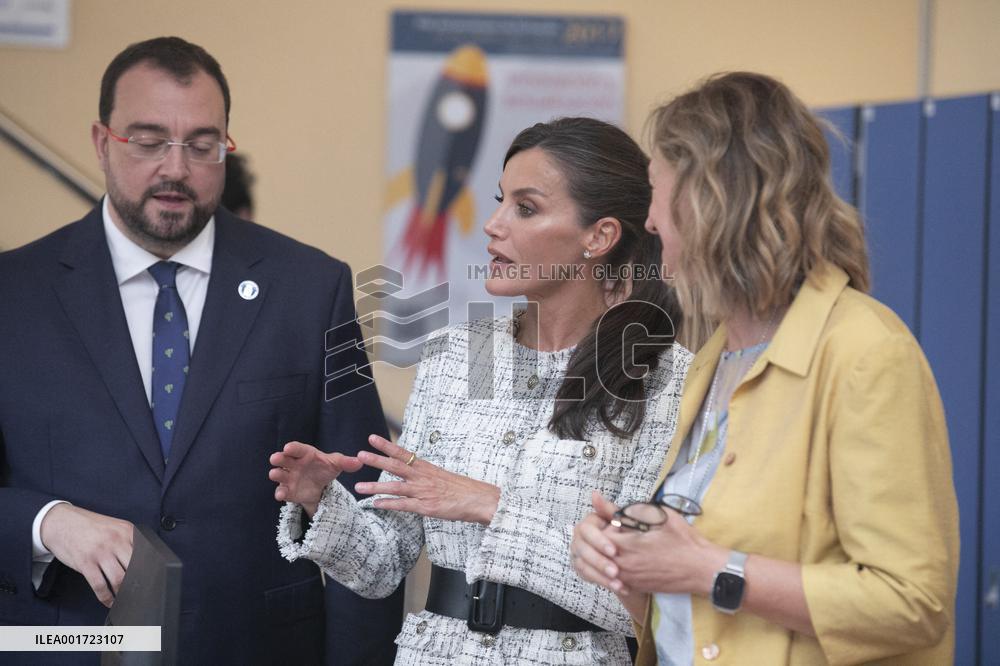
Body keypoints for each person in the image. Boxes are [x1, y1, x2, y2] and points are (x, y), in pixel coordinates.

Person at [0, 36, 402, 664]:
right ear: (103, 143)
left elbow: (370, 507)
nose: (176, 168)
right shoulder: (13, 295)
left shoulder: (311, 289)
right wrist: (43, 521)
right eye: (148, 140)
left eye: (202, 144)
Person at [270, 117, 693, 664]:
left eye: (526, 207)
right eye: (500, 201)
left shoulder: (663, 376)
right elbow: (381, 567)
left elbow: (641, 597)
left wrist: (489, 505)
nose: (492, 225)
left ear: (600, 236)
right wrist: (320, 500)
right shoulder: (457, 354)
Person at [570, 72, 959, 665]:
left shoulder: (866, 352)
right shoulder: (710, 360)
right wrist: (633, 569)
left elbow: (913, 601)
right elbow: (701, 618)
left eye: (657, 192)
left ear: (711, 200)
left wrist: (707, 569)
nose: (649, 221)